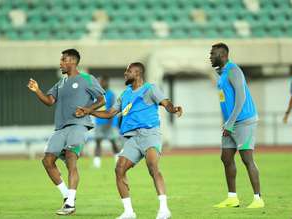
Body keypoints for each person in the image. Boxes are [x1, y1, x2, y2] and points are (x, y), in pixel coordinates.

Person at [75, 62, 183, 219]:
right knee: (119, 169)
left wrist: (173, 109)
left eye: (128, 71)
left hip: (150, 133)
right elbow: (110, 112)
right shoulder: (125, 94)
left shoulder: (150, 88)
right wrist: (89, 111)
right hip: (132, 138)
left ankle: (164, 209)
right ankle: (128, 212)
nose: (125, 74)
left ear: (137, 74)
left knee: (153, 167)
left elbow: (165, 102)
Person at [27, 49, 105, 215]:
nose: (60, 63)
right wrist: (37, 91)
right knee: (47, 161)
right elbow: (49, 101)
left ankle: (70, 204)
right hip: (60, 128)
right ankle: (66, 196)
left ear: (72, 61)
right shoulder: (60, 83)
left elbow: (101, 100)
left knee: (71, 158)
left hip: (79, 125)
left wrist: (87, 110)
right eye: (61, 60)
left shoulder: (87, 79)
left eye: (63, 60)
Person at [210, 43, 264, 208]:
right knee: (226, 158)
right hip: (231, 124)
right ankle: (232, 198)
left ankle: (258, 199)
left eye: (213, 54)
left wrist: (230, 123)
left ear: (223, 55)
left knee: (247, 159)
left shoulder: (234, 71)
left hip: (244, 121)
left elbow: (241, 99)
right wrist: (227, 123)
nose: (210, 57)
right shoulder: (224, 73)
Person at [93, 75, 120, 168]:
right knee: (98, 141)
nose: (99, 83)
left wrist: (110, 122)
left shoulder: (111, 94)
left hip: (109, 123)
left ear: (106, 82)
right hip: (99, 122)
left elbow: (113, 108)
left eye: (101, 82)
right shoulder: (97, 94)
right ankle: (97, 164)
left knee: (113, 142)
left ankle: (118, 161)